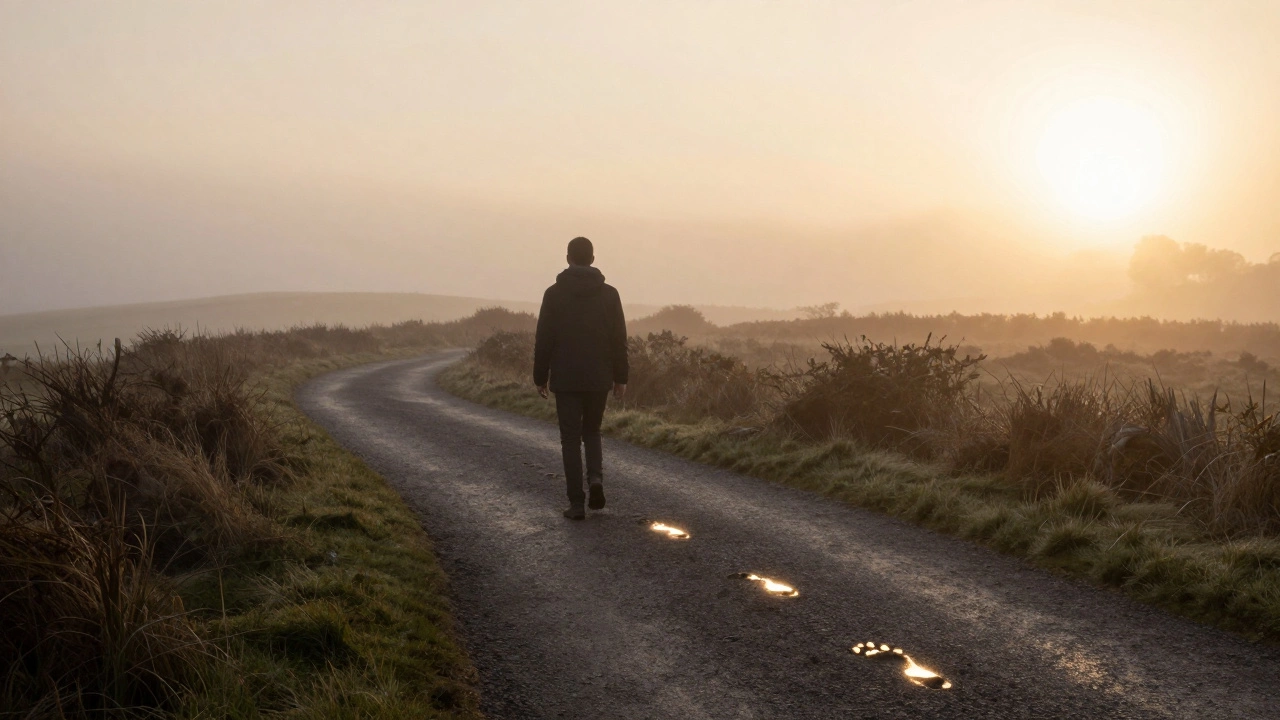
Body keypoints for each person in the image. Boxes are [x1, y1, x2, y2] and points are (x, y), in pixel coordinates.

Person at [533, 237, 629, 520]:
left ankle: (576, 503)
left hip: (565, 376)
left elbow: (544, 340)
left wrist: (540, 376)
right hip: (599, 376)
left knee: (570, 439)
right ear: (593, 258)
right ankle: (595, 479)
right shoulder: (610, 295)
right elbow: (619, 340)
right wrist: (621, 377)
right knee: (592, 431)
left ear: (568, 258)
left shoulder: (553, 294)